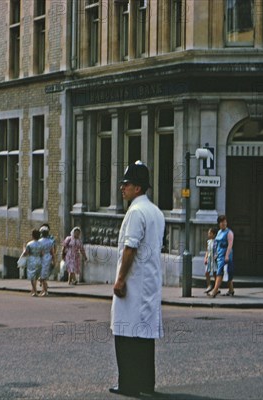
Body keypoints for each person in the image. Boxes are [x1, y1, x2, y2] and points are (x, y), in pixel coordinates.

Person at [110, 161, 165, 397]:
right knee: (144, 337)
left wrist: (120, 280)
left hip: (133, 283)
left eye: (127, 184)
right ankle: (145, 384)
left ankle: (128, 384)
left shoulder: (135, 212)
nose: (122, 188)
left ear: (138, 188)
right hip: (150, 282)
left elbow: (130, 248)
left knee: (124, 334)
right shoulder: (156, 212)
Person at [208, 215, 235, 297]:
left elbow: (230, 245)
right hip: (219, 254)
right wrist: (215, 254)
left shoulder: (229, 232)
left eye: (225, 222)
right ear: (219, 223)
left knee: (220, 272)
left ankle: (214, 291)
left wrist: (227, 255)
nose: (224, 224)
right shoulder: (219, 232)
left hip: (225, 254)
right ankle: (231, 290)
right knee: (227, 272)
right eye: (222, 222)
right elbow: (216, 243)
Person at [24, 229, 43, 296]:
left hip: (32, 260)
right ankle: (33, 290)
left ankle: (35, 292)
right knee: (36, 276)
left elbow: (26, 253)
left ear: (32, 235)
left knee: (32, 277)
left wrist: (24, 249)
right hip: (39, 260)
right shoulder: (41, 244)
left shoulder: (29, 244)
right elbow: (42, 254)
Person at [38, 226, 55, 296]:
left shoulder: (39, 242)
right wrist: (54, 260)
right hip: (48, 257)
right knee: (44, 275)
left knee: (42, 276)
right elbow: (52, 252)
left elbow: (40, 252)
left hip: (42, 258)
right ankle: (43, 290)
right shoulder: (51, 241)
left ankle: (45, 291)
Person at [203, 227, 218, 293]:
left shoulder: (216, 242)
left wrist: (216, 256)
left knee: (215, 273)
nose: (208, 234)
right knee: (206, 272)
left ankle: (216, 287)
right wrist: (205, 258)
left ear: (214, 234)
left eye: (210, 233)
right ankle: (209, 285)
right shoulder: (208, 242)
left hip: (214, 259)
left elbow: (217, 250)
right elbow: (207, 251)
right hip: (209, 259)